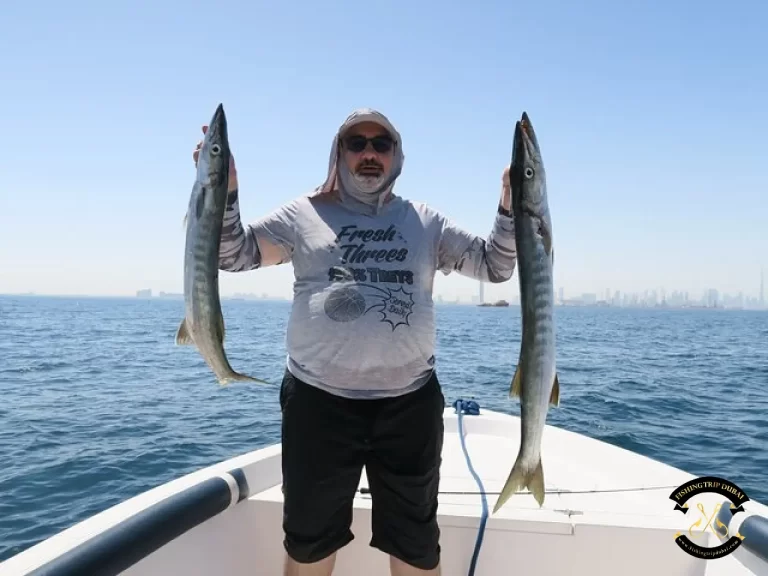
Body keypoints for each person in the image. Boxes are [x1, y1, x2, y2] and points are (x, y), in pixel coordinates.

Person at [193, 108, 518, 576]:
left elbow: (495, 267)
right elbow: (233, 253)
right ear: (339, 153)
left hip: (409, 407)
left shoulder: (425, 222)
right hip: (318, 405)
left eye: (380, 144)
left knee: (416, 547)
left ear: (396, 155)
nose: (369, 153)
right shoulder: (303, 213)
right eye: (357, 143)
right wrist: (224, 188)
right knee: (309, 545)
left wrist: (509, 205)